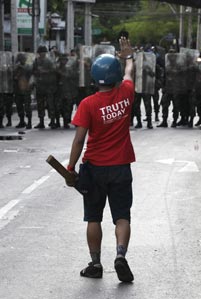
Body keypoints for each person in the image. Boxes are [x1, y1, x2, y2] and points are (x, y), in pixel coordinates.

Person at [66, 36, 135, 283]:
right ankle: (120, 255)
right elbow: (129, 72)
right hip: (120, 167)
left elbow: (78, 140)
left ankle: (95, 264)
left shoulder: (87, 104)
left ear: (94, 79)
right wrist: (127, 56)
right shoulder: (126, 93)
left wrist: (71, 167)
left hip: (94, 169)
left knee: (93, 217)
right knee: (122, 216)